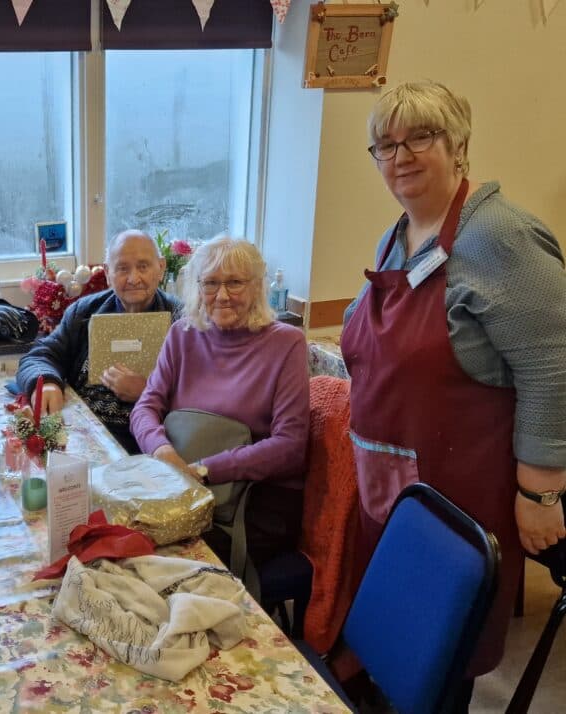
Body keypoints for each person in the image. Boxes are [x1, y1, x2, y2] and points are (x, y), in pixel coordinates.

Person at [342, 80, 566, 705]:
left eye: (421, 137)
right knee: (391, 647)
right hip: (392, 488)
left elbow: (552, 368)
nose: (401, 156)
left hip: (457, 497)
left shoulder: (500, 237)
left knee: (437, 665)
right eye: (385, 145)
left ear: (460, 145)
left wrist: (541, 492)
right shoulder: (401, 234)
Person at [130, 235, 309, 570]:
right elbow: (145, 408)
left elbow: (290, 446)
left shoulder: (287, 343)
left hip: (255, 499)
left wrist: (204, 470)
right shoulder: (183, 334)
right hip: (184, 484)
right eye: (211, 283)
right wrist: (162, 451)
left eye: (235, 283)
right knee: (119, 536)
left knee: (164, 559)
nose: (222, 295)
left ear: (258, 286)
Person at [15, 229, 181, 454]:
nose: (134, 279)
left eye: (143, 266)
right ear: (107, 272)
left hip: (147, 443)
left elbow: (204, 395)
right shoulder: (84, 311)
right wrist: (46, 382)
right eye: (122, 268)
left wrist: (148, 391)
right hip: (81, 435)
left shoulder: (182, 319)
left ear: (161, 268)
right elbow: (39, 355)